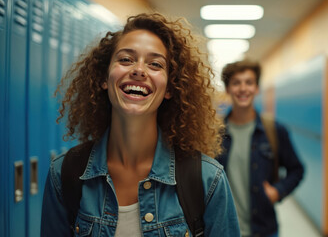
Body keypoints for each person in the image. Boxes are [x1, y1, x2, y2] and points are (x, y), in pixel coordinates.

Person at [41, 13, 240, 236]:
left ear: (170, 88)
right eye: (126, 59)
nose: (139, 70)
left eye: (155, 64)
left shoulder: (207, 180)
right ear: (103, 78)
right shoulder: (65, 174)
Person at [217, 60, 304, 237]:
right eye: (236, 83)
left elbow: (297, 169)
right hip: (222, 229)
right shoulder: (214, 133)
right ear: (227, 89)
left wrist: (277, 191)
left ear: (256, 88)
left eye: (249, 82)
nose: (243, 88)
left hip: (264, 229)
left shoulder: (273, 130)